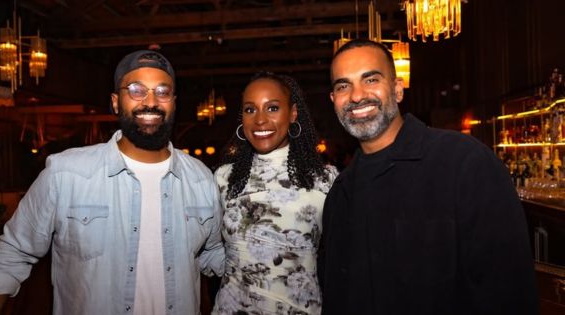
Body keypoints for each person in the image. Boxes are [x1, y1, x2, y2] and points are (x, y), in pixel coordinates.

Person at [0, 50, 224, 315]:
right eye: (136, 90)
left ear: (173, 102)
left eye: (162, 91)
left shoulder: (201, 179)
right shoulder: (65, 174)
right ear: (116, 102)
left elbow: (213, 253)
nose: (150, 101)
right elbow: (13, 253)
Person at [318, 39, 538, 314]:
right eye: (343, 86)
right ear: (333, 101)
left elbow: (509, 290)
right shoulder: (340, 193)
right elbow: (338, 295)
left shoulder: (464, 163)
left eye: (371, 79)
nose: (357, 95)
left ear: (397, 90)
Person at [211, 71, 337, 314]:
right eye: (250, 109)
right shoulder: (224, 178)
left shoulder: (324, 180)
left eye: (272, 108)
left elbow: (341, 258)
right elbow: (212, 247)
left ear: (293, 113)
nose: (259, 119)